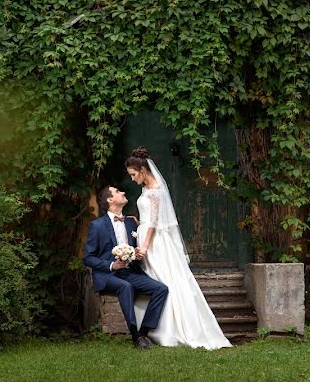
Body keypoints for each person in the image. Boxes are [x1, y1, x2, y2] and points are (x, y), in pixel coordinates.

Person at [126, 146, 232, 350]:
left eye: (133, 175)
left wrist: (146, 246)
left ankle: (171, 329)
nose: (132, 179)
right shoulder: (146, 189)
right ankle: (153, 327)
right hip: (146, 235)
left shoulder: (156, 190)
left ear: (142, 170)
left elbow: (155, 223)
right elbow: (149, 219)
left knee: (165, 279)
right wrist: (138, 222)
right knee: (155, 279)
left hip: (156, 243)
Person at [83, 185, 169, 349]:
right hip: (107, 275)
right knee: (126, 287)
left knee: (161, 289)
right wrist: (111, 265)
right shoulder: (97, 225)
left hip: (130, 272)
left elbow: (137, 245)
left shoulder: (131, 222)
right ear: (110, 200)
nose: (123, 192)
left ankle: (144, 332)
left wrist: (136, 254)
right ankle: (135, 335)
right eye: (117, 191)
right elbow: (88, 258)